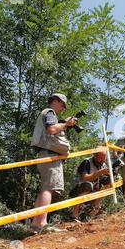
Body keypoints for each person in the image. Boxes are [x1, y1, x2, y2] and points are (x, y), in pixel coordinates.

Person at [30, 93, 77, 233]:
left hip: (45, 154)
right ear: (56, 101)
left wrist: (64, 124)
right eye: (63, 105)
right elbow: (51, 130)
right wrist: (66, 124)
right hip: (50, 156)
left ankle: (35, 224)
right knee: (49, 189)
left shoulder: (48, 114)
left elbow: (51, 128)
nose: (63, 108)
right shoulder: (50, 112)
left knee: (45, 188)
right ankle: (42, 223)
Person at [69, 151, 110, 222]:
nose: (102, 160)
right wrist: (100, 172)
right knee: (88, 185)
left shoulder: (103, 164)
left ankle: (93, 211)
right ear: (94, 155)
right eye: (100, 157)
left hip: (92, 190)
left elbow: (104, 180)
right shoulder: (86, 162)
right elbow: (85, 178)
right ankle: (74, 215)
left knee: (108, 184)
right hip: (77, 189)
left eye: (104, 158)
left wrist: (111, 176)